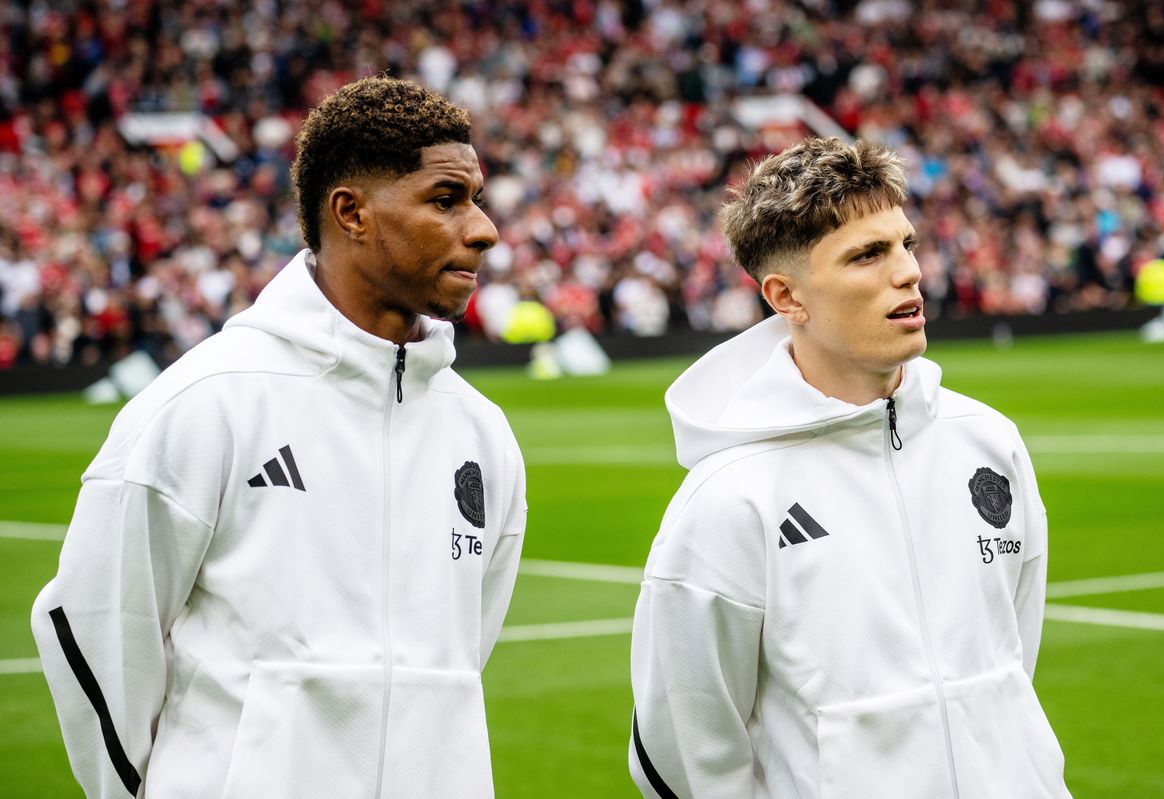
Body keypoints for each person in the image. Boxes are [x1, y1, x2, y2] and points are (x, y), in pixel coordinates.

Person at [32, 76, 527, 799]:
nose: (483, 227)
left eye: (476, 199)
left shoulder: (482, 435)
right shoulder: (207, 402)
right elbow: (95, 631)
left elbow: (461, 656)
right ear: (351, 212)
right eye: (446, 199)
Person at [628, 137, 1071, 799]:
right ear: (787, 296)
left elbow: (1010, 660)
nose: (909, 272)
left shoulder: (988, 442)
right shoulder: (730, 497)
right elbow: (682, 744)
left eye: (906, 244)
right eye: (868, 254)